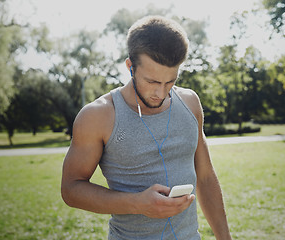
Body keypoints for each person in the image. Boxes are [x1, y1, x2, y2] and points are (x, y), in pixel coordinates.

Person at [61, 15, 233, 240]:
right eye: (152, 82)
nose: (161, 93)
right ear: (130, 66)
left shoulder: (190, 103)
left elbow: (206, 177)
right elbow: (71, 189)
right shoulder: (98, 116)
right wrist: (136, 204)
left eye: (170, 81)